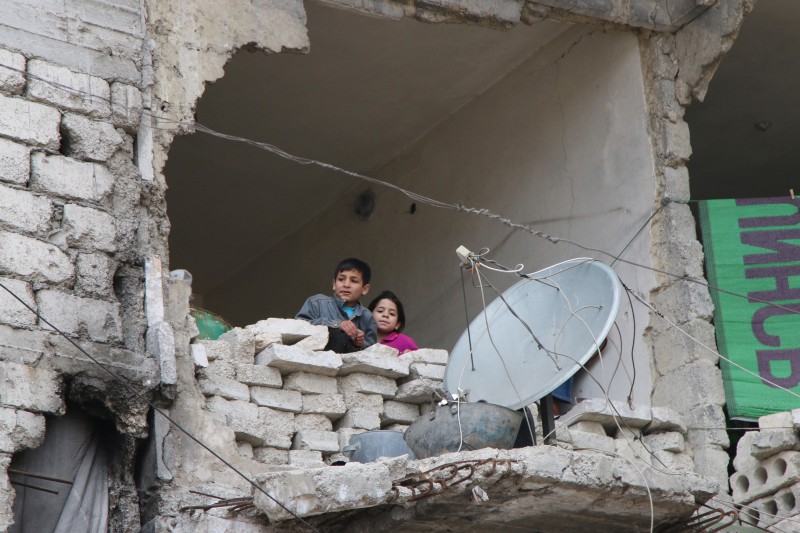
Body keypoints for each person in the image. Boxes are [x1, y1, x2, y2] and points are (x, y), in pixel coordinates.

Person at [296, 258, 377, 353]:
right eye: (341, 279)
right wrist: (336, 324)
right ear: (334, 284)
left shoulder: (368, 318)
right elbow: (299, 327)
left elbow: (373, 352)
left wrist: (360, 343)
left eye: (354, 281)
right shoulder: (317, 303)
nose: (346, 284)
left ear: (365, 289)